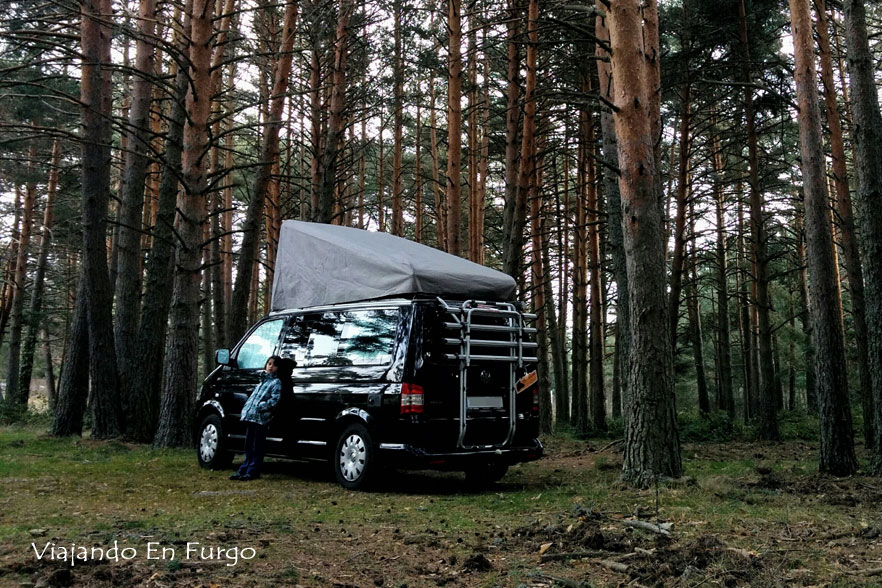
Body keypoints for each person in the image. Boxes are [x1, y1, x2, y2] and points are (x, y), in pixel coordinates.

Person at [230, 355, 294, 481]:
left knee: (257, 445)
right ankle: (244, 469)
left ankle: (253, 471)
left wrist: (262, 406)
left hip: (261, 418)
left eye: (274, 365)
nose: (271, 367)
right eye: (269, 364)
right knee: (248, 445)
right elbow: (254, 397)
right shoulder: (262, 381)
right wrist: (247, 408)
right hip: (251, 416)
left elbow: (275, 399)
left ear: (278, 368)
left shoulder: (276, 382)